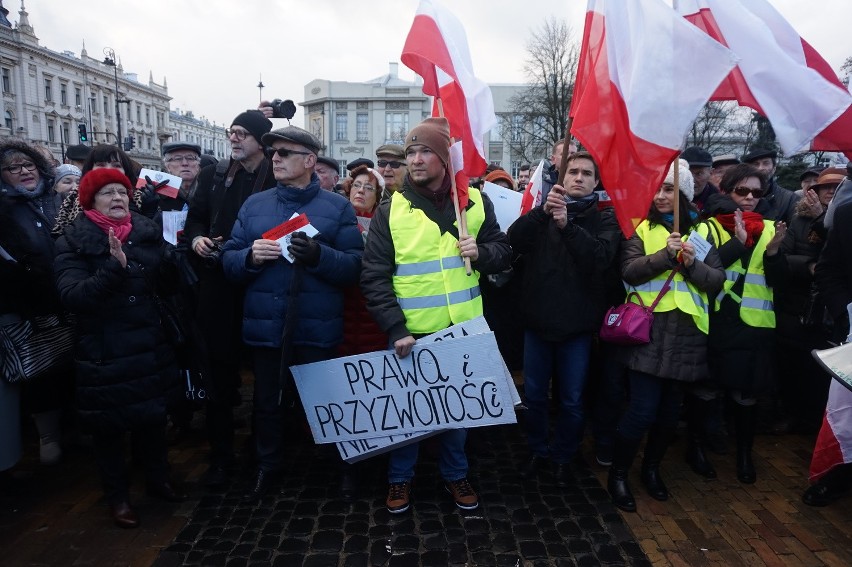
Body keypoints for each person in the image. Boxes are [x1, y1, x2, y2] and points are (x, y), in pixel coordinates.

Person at [361, 117, 512, 513]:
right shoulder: (391, 211)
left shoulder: (475, 202)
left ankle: (455, 474)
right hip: (410, 336)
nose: (415, 159)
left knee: (456, 415)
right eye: (410, 152)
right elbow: (374, 277)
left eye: (424, 150)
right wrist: (395, 328)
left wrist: (482, 254)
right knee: (407, 416)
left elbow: (503, 251)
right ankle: (399, 480)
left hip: (463, 332)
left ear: (445, 158)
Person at [221, 125, 362, 502]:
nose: (276, 159)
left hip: (316, 328)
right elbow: (229, 262)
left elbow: (354, 267)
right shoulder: (255, 205)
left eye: (284, 153)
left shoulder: (337, 206)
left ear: (310, 160)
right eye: (273, 153)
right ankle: (269, 466)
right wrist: (249, 257)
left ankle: (343, 466)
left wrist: (319, 256)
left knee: (330, 402)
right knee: (266, 403)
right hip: (267, 327)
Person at [54, 169, 185, 529]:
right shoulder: (73, 240)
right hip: (105, 352)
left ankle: (158, 481)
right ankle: (118, 497)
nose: (116, 199)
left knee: (153, 421)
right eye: (107, 193)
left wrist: (175, 262)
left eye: (122, 192)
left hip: (148, 345)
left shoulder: (145, 232)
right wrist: (113, 269)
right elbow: (72, 296)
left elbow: (165, 286)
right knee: (109, 431)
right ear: (89, 201)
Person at [608, 159, 725, 512]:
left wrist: (691, 264)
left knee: (669, 414)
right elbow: (629, 270)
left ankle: (652, 470)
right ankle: (618, 473)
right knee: (642, 410)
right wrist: (664, 255)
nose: (661, 195)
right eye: (657, 188)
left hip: (688, 335)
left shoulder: (702, 233)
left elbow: (716, 280)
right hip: (648, 331)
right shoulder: (639, 228)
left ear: (684, 194)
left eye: (670, 188)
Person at [508, 151, 620, 485]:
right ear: (561, 176)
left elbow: (600, 258)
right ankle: (538, 450)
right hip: (538, 323)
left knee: (571, 400)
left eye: (587, 173)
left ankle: (563, 455)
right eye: (573, 172)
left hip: (577, 328)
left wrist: (568, 227)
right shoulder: (543, 211)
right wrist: (542, 214)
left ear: (596, 182)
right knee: (536, 396)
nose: (579, 178)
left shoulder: (605, 218)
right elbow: (514, 241)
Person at [183, 110, 275, 491]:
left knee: (264, 373)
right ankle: (221, 454)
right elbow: (196, 218)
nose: (234, 139)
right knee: (218, 371)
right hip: (217, 283)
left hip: (261, 281)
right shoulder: (213, 174)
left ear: (260, 141)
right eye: (231, 132)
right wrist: (196, 239)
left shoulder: (275, 175)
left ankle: (261, 450)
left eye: (242, 134)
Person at [686, 164, 786, 484]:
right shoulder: (707, 228)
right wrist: (738, 243)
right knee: (706, 390)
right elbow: (698, 272)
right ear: (727, 192)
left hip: (753, 326)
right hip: (714, 322)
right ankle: (696, 447)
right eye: (742, 191)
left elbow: (780, 281)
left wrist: (773, 254)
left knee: (746, 396)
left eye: (757, 192)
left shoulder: (773, 229)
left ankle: (744, 453)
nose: (749, 198)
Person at [0, 139, 67, 466]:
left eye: (28, 165)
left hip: (67, 296)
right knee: (40, 370)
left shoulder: (56, 199)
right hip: (30, 304)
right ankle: (48, 436)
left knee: (69, 365)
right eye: (14, 168)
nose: (24, 171)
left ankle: (72, 431)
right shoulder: (4, 207)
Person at [774, 168, 844, 434]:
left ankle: (818, 422)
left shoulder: (844, 219)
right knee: (793, 367)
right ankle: (793, 415)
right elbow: (783, 257)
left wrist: (823, 221)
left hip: (830, 312)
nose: (829, 191)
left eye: (836, 187)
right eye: (824, 187)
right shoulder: (799, 219)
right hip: (797, 306)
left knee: (822, 373)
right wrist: (810, 266)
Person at [52, 144, 141, 236]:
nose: (108, 170)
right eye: (101, 165)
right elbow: (60, 234)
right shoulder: (72, 198)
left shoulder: (141, 198)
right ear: (90, 169)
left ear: (125, 170)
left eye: (116, 165)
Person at [741, 147, 799, 224]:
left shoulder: (790, 199)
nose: (760, 168)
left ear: (774, 168)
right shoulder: (737, 195)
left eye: (766, 163)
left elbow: (795, 231)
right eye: (756, 164)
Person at [159, 141, 203, 212]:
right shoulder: (158, 194)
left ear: (198, 165)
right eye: (178, 159)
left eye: (190, 158)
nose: (185, 163)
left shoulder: (209, 191)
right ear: (168, 166)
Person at [681, 146, 717, 212]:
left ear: (711, 173)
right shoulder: (667, 200)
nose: (692, 180)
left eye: (699, 174)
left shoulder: (719, 205)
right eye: (687, 173)